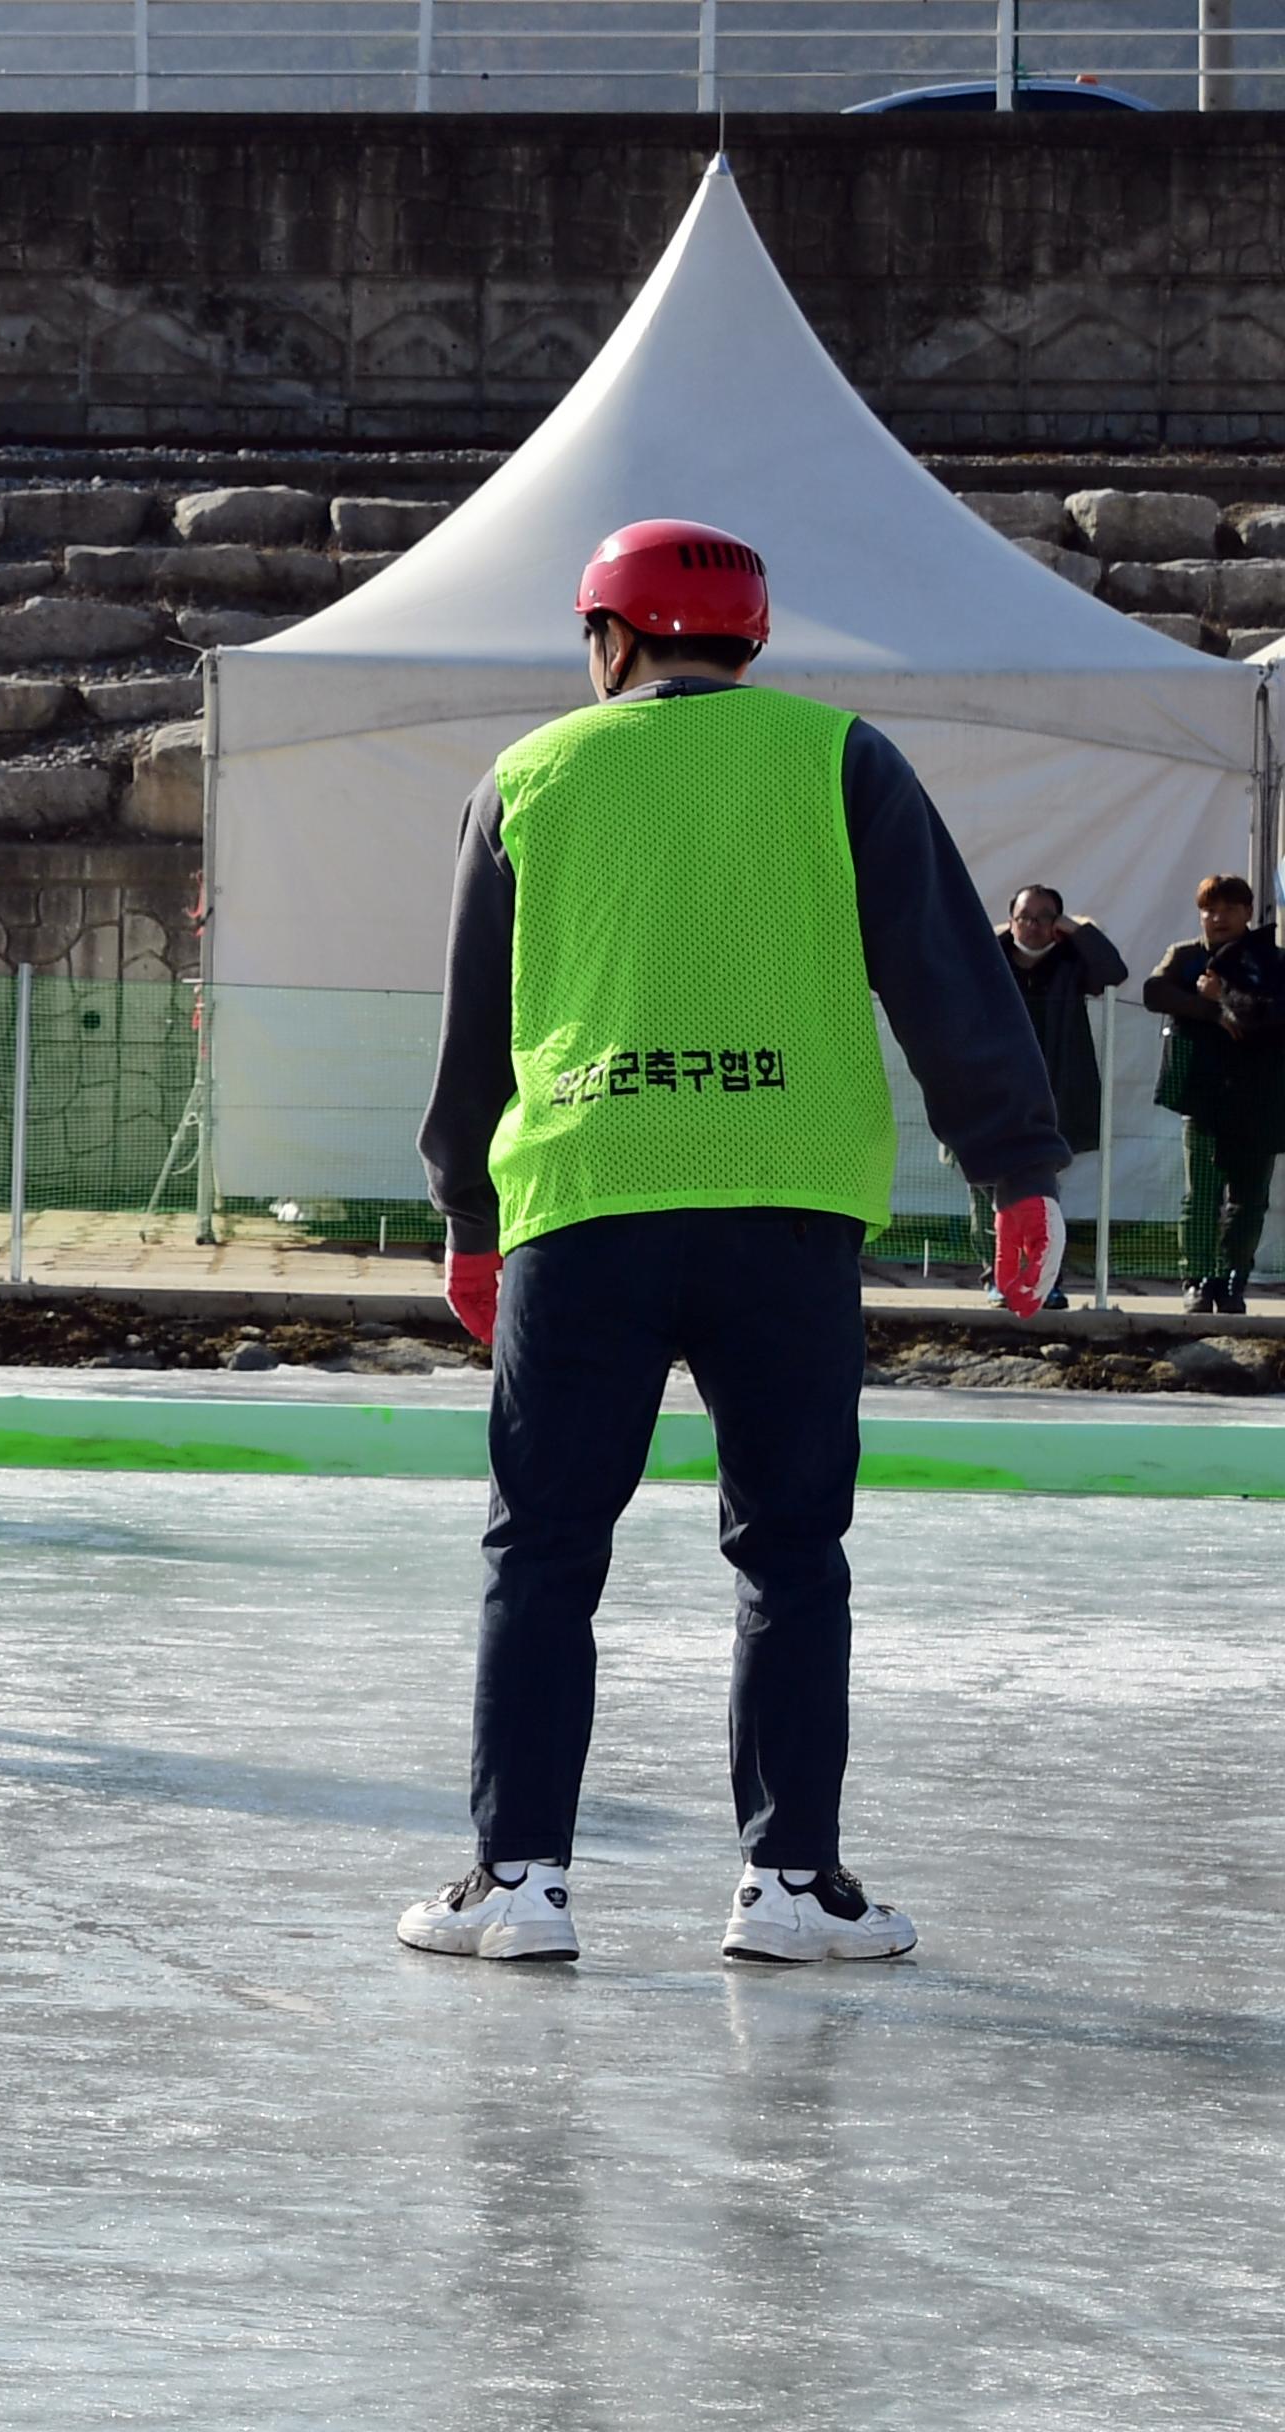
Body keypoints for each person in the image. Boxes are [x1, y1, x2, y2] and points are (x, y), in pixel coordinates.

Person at [403, 519, 1067, 1969]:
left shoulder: (527, 775)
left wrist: (468, 1217)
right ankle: (790, 1887)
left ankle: (517, 1882)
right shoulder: (842, 757)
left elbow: (476, 1028)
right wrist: (1013, 1171)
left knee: (543, 1550)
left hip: (581, 1214)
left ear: (610, 639)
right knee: (790, 1552)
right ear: (748, 640)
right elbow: (947, 975)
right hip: (785, 1211)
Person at [1142, 873, 1285, 1314]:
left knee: (1248, 1199)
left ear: (1247, 913)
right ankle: (1198, 1280)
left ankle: (1232, 1279)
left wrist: (1227, 997)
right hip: (1202, 1095)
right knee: (1200, 1194)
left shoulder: (1273, 961)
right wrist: (1208, 1010)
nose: (1217, 918)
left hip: (1261, 1096)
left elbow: (1273, 1013)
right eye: (1209, 909)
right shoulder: (1186, 957)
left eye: (1228, 909)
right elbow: (1155, 991)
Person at [985, 884, 1127, 1309]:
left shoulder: (1071, 962)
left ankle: (1045, 1280)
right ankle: (997, 1278)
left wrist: (1079, 930)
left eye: (1045, 917)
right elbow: (951, 962)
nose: (1033, 926)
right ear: (1010, 920)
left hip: (1055, 1090)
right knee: (989, 1186)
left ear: (1058, 924)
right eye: (1024, 917)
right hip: (994, 1088)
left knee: (1043, 1192)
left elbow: (1113, 972)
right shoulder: (990, 956)